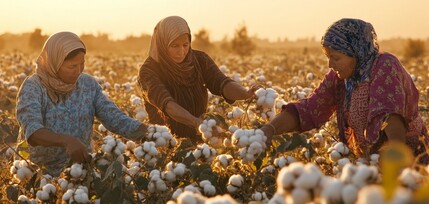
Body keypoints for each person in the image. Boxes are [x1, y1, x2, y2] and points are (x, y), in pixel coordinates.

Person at [261, 18, 429, 164]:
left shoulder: (384, 66)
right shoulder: (341, 78)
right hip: (372, 165)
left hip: (410, 162)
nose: (330, 65)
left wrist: (394, 171)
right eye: (328, 58)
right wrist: (269, 130)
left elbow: (391, 119)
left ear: (356, 53)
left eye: (336, 58)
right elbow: (310, 109)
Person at [16, 32, 147, 176]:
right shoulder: (33, 87)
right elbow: (33, 132)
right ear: (54, 63)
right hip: (39, 174)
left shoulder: (87, 84)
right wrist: (66, 141)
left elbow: (113, 117)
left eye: (82, 64)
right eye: (72, 66)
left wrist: (148, 133)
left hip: (80, 171)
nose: (78, 71)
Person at [138, 16, 259, 142]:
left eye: (185, 45)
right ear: (162, 44)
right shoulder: (149, 71)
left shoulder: (200, 60)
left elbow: (222, 82)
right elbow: (167, 104)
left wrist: (245, 93)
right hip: (164, 142)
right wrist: (195, 122)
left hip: (200, 139)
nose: (182, 51)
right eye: (175, 46)